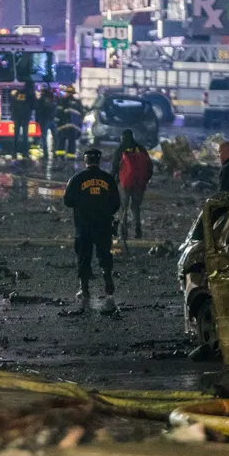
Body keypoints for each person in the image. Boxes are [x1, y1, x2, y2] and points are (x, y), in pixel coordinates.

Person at [63, 148, 121, 310]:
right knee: (104, 253)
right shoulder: (107, 179)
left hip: (83, 225)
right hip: (103, 224)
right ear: (99, 161)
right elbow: (116, 203)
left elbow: (68, 201)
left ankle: (84, 287)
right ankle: (108, 279)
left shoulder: (77, 179)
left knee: (83, 255)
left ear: (86, 161)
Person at [112, 129, 154, 239]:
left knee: (123, 208)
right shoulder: (141, 149)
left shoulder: (120, 149)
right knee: (135, 207)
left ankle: (123, 234)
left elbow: (114, 168)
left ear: (122, 138)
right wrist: (144, 180)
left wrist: (113, 182)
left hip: (125, 183)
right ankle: (137, 230)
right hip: (139, 184)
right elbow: (149, 166)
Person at [56, 86, 84, 157]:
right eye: (68, 93)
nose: (69, 94)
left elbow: (81, 113)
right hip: (63, 124)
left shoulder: (77, 102)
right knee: (61, 140)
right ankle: (60, 155)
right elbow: (58, 111)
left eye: (70, 93)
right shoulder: (61, 101)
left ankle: (70, 156)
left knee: (71, 140)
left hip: (72, 125)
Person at [10, 80, 33, 159]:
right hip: (25, 118)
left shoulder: (18, 93)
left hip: (17, 117)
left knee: (16, 135)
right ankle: (25, 153)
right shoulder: (30, 95)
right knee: (25, 136)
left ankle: (14, 152)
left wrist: (13, 115)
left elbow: (12, 105)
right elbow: (34, 106)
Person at [35, 85, 56, 157]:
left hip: (43, 120)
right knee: (55, 136)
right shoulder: (52, 98)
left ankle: (45, 154)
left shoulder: (41, 99)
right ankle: (55, 152)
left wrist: (37, 120)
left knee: (44, 137)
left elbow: (38, 110)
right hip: (52, 119)